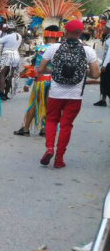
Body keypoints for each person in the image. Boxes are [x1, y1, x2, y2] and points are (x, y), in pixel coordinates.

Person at [37, 20, 100, 168]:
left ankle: (50, 148)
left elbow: (41, 69)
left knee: (52, 120)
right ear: (81, 33)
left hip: (56, 93)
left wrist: (53, 71)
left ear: (65, 31)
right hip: (75, 95)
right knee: (66, 125)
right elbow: (96, 75)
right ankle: (59, 159)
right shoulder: (88, 51)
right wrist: (84, 72)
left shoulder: (54, 48)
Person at [14, 25, 61, 137]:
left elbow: (37, 68)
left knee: (34, 104)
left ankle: (26, 129)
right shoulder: (61, 50)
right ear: (58, 37)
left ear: (45, 36)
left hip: (41, 81)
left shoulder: (41, 49)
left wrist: (28, 83)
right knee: (50, 106)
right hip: (55, 83)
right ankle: (45, 129)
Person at [0, 23, 23, 99]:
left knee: (2, 74)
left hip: (7, 55)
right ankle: (6, 94)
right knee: (10, 76)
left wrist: (0, 31)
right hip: (16, 55)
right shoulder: (19, 36)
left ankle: (1, 94)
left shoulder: (8, 37)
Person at [94, 30, 110, 107]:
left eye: (106, 28)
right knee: (103, 81)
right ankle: (103, 100)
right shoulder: (108, 37)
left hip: (108, 63)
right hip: (106, 62)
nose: (104, 29)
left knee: (107, 82)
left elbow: (109, 53)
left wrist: (104, 65)